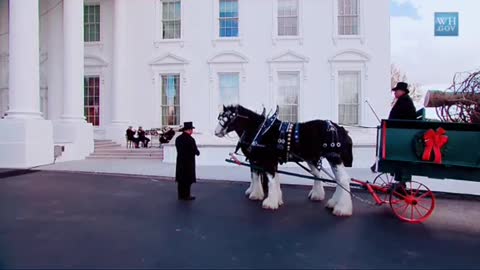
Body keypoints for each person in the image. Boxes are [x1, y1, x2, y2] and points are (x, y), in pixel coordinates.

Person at [371, 82, 417, 173]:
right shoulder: (403, 100)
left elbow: (401, 117)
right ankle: (380, 162)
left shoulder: (405, 101)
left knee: (385, 141)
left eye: (396, 91)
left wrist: (389, 123)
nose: (395, 93)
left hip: (401, 130)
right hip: (397, 128)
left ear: (402, 91)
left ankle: (384, 162)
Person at [175, 121, 200, 200]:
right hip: (188, 162)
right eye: (191, 130)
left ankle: (180, 195)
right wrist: (197, 152)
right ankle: (186, 195)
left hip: (180, 161)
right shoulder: (190, 139)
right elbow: (195, 151)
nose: (192, 131)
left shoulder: (178, 139)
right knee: (188, 180)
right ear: (189, 130)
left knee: (181, 180)